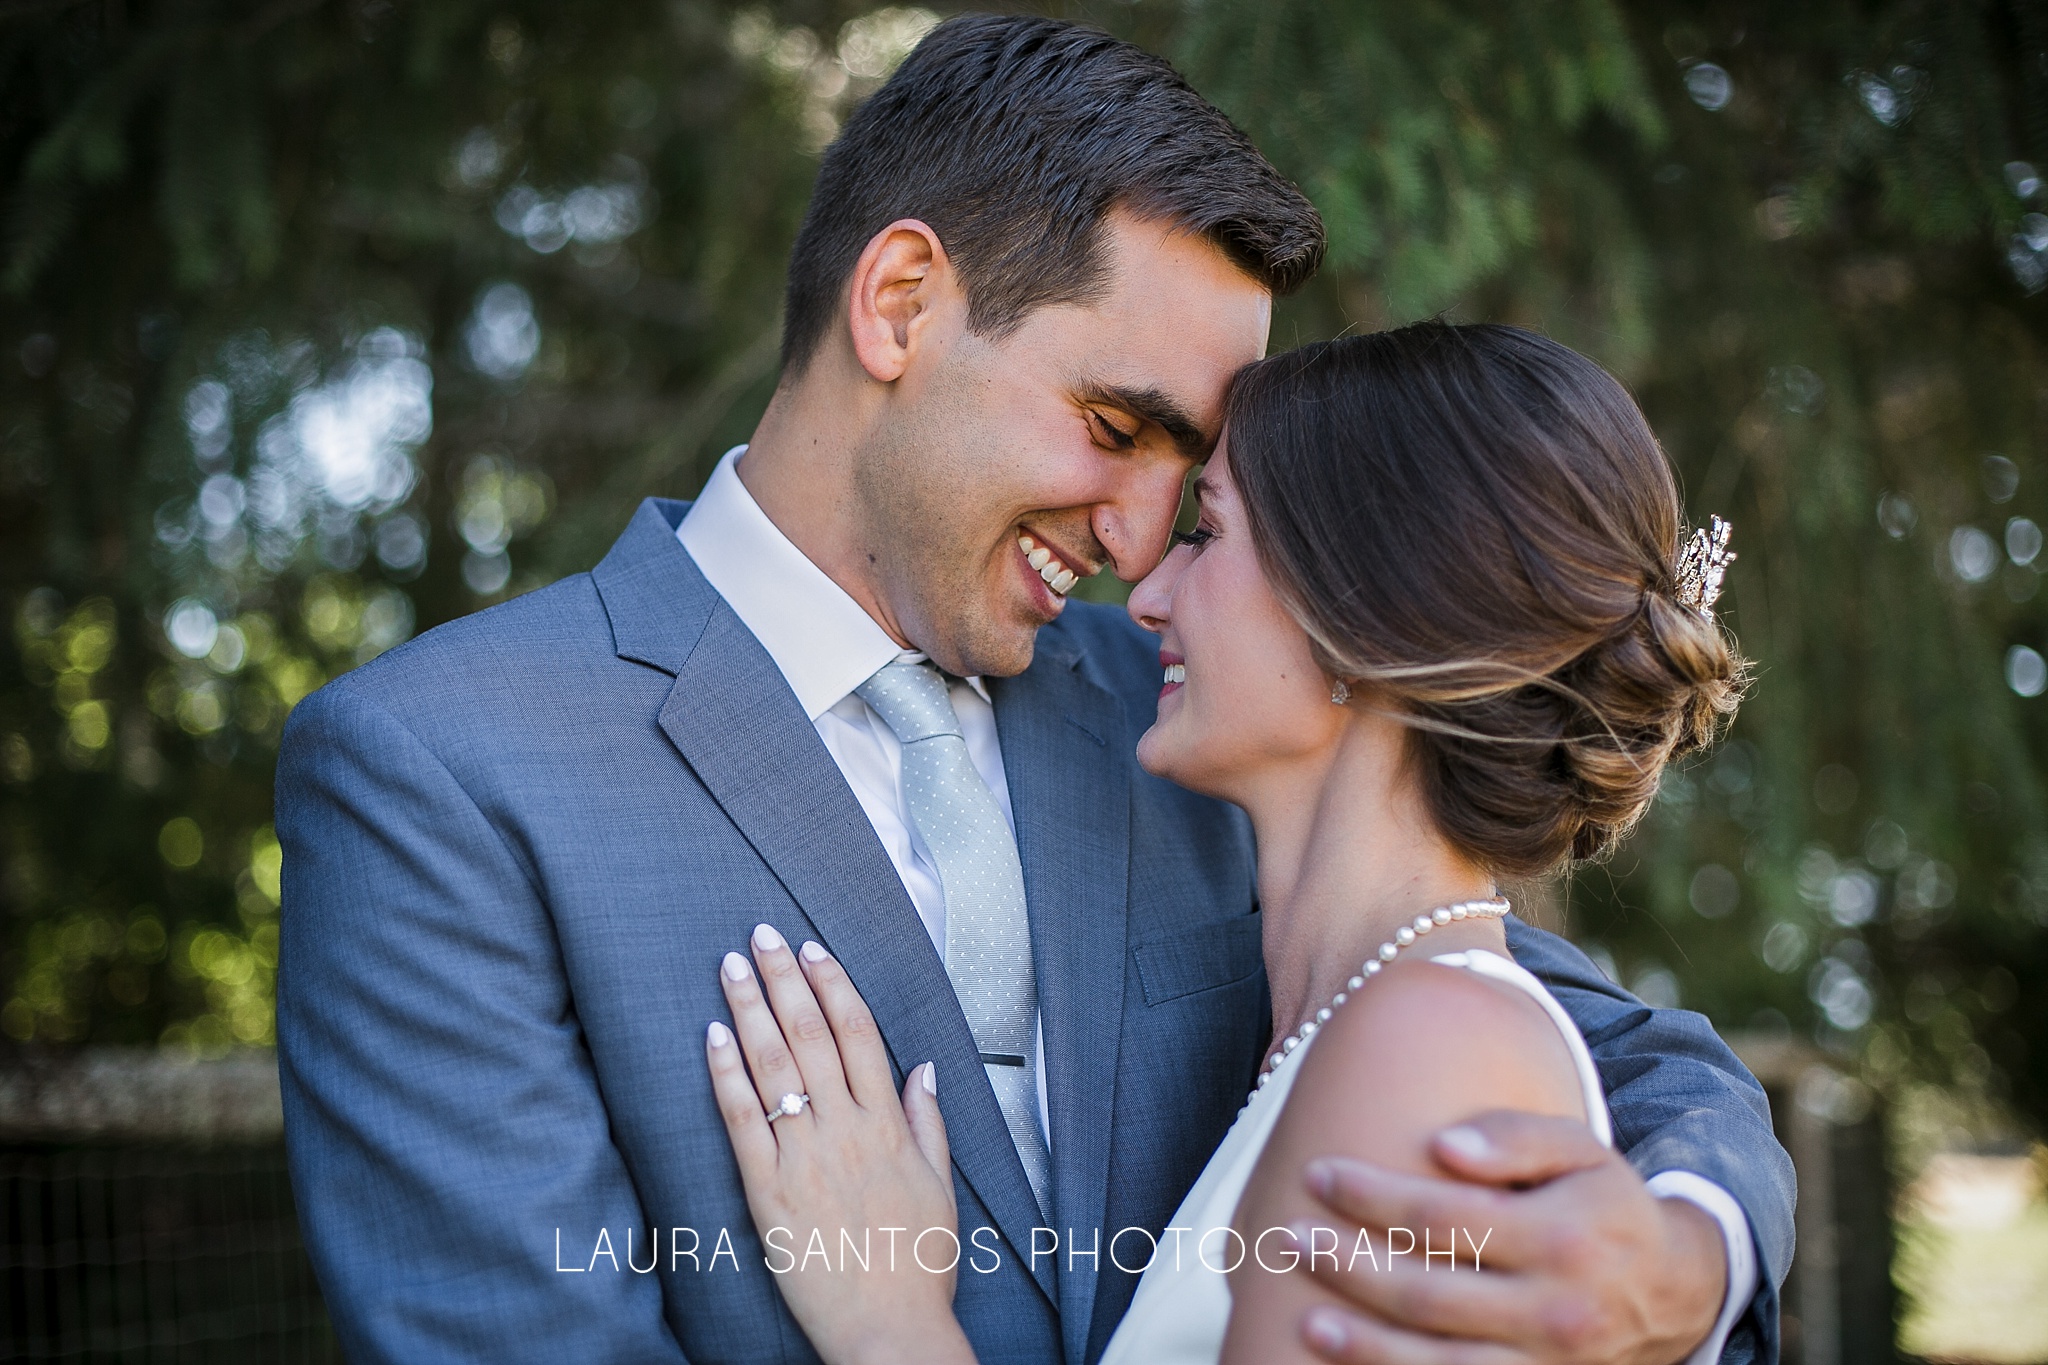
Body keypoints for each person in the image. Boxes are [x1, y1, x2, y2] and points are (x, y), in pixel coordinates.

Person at [275, 15, 1792, 1364]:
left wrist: (1689, 1251)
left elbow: (1593, 1039)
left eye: (1190, 474)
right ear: (902, 302)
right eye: (1114, 424)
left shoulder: (1219, 714)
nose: (1143, 542)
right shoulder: (446, 774)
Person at [703, 319, 1761, 1365]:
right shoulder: (1354, 1016)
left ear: (1365, 617)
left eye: (1205, 534)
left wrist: (888, 1326)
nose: (1145, 593)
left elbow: (1658, 1062)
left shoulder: (1423, 1046)